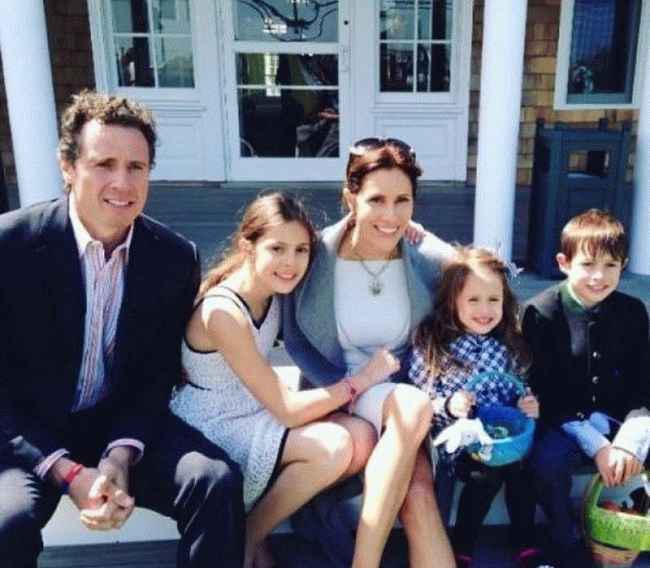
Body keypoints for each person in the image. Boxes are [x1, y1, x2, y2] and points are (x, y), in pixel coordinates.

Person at [0, 91, 245, 567]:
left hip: (118, 426)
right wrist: (68, 472)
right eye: (104, 164)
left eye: (136, 167)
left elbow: (156, 375)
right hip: (28, 435)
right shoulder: (11, 246)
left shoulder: (174, 258)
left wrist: (119, 455)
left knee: (214, 479)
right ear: (68, 167)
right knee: (7, 523)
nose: (122, 182)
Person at [170, 191, 400, 568]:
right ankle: (248, 538)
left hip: (253, 408)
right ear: (247, 246)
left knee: (362, 437)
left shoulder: (274, 292)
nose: (290, 263)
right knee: (333, 447)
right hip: (213, 424)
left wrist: (405, 230)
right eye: (277, 248)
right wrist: (363, 379)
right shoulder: (223, 312)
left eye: (300, 250)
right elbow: (289, 410)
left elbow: (336, 242)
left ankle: (251, 529)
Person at [283, 137, 457, 568]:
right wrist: (345, 390)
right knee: (412, 408)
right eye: (377, 200)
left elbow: (483, 278)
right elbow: (294, 337)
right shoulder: (314, 255)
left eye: (403, 201)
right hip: (337, 393)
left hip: (400, 400)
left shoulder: (421, 259)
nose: (390, 215)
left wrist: (428, 239)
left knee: (419, 494)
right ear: (351, 197)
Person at [522, 209, 650, 568]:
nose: (599, 276)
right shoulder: (540, 313)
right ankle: (565, 539)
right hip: (563, 419)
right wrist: (599, 447)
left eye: (611, 265)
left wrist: (630, 440)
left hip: (618, 418)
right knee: (547, 461)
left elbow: (643, 383)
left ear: (623, 266)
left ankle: (635, 528)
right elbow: (543, 392)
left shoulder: (633, 311)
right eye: (588, 264)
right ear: (564, 263)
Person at [409, 246, 542, 568]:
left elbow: (519, 389)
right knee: (486, 473)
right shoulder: (435, 344)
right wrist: (448, 405)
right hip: (457, 442)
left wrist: (526, 404)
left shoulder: (508, 344)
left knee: (521, 469)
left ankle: (526, 544)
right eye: (473, 300)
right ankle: (463, 546)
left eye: (493, 299)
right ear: (452, 301)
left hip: (502, 435)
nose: (485, 310)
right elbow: (418, 397)